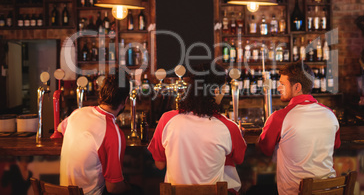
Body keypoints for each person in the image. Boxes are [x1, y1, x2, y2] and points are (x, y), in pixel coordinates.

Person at [148, 63, 247, 194]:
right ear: (216, 91)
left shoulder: (167, 120)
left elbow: (160, 165)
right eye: (224, 89)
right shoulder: (229, 127)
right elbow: (238, 159)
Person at [257, 61, 341, 195]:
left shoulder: (280, 117)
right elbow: (336, 145)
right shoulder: (330, 114)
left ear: (297, 87)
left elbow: (265, 149)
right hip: (330, 191)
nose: (278, 88)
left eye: (283, 84)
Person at [58, 73, 142, 195]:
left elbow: (60, 128)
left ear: (101, 94)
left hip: (63, 192)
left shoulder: (77, 113)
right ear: (125, 101)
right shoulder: (112, 132)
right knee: (137, 191)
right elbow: (113, 188)